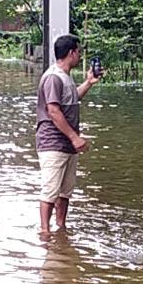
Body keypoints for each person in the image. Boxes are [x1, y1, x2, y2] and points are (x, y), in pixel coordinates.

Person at [37, 33, 101, 235]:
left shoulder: (65, 78)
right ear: (71, 53)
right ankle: (45, 232)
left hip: (67, 145)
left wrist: (89, 82)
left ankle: (61, 228)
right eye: (78, 52)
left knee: (65, 191)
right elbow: (53, 111)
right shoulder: (53, 77)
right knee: (50, 190)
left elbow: (72, 99)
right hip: (53, 143)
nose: (80, 56)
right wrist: (75, 137)